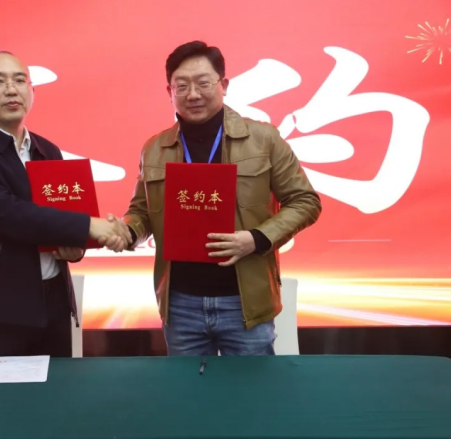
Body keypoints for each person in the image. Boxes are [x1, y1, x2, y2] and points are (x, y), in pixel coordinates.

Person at [118, 41, 321, 356]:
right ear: (169, 91)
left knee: (250, 387)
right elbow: (141, 212)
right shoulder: (154, 148)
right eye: (181, 86)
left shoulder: (264, 138)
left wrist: (256, 238)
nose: (193, 94)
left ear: (223, 85)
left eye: (203, 83)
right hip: (180, 303)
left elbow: (305, 201)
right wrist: (126, 231)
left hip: (244, 301)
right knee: (188, 388)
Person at [0, 51, 130, 358]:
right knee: (1, 391)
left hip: (53, 304)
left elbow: (62, 216)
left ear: (31, 91)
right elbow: (6, 213)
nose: (11, 90)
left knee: (58, 388)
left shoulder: (47, 150)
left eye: (19, 81)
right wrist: (89, 226)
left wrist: (77, 247)